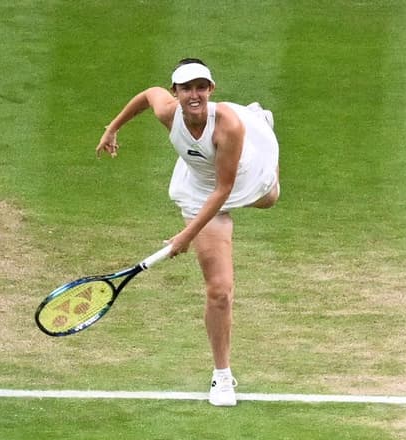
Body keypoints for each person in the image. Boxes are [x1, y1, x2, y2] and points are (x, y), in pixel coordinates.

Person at [95, 58, 281, 405]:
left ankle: (259, 121)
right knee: (220, 291)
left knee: (269, 199)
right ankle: (222, 377)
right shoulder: (168, 112)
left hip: (241, 176)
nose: (194, 94)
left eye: (201, 87)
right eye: (186, 88)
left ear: (211, 89)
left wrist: (186, 235)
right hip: (198, 187)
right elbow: (147, 95)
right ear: (175, 92)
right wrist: (113, 127)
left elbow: (223, 190)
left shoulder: (227, 127)